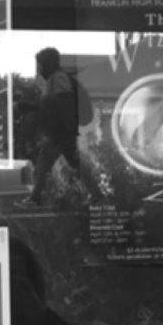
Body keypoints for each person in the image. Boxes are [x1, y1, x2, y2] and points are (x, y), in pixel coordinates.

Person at [18, 46, 103, 207]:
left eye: (40, 65)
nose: (39, 69)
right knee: (76, 165)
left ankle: (35, 199)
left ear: (49, 64)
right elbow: (52, 105)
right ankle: (98, 195)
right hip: (64, 132)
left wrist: (31, 107)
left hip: (59, 133)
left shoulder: (58, 79)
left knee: (43, 165)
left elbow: (60, 103)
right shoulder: (55, 79)